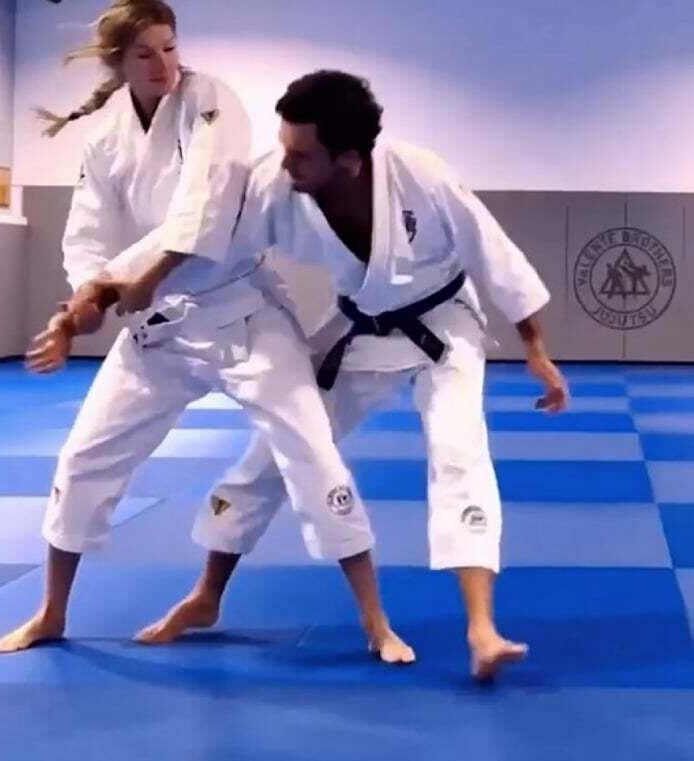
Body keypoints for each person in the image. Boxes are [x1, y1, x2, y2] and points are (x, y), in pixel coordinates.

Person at [0, 0, 412, 664]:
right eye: (144, 53)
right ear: (118, 61)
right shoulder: (105, 138)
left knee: (312, 448)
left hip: (242, 315)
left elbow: (205, 206)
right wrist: (84, 299)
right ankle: (51, 612)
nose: (163, 63)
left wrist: (131, 281)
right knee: (83, 458)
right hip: (158, 331)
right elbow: (88, 235)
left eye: (169, 46)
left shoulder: (210, 101)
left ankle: (376, 622)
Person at [137, 70, 569, 680]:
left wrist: (536, 350)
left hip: (444, 326)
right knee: (279, 447)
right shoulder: (275, 184)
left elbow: (493, 254)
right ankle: (206, 595)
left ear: (349, 158)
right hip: (358, 327)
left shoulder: (422, 175)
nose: (286, 163)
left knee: (460, 452)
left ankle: (482, 629)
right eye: (284, 147)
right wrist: (126, 284)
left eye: (301, 154)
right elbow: (205, 241)